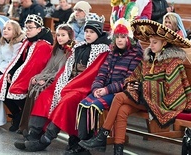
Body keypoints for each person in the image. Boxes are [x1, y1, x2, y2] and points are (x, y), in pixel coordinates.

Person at [78, 19, 191, 155]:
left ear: (164, 43)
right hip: (144, 98)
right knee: (122, 111)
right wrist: (134, 84)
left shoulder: (173, 62)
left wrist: (144, 86)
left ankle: (102, 135)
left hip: (162, 103)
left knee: (119, 97)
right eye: (150, 42)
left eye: (154, 43)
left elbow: (173, 90)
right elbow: (133, 77)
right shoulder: (148, 58)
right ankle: (117, 150)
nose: (151, 45)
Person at [14, 13, 111, 153]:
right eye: (86, 31)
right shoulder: (80, 47)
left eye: (92, 32)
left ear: (98, 32)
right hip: (70, 84)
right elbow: (66, 70)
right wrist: (60, 85)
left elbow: (91, 75)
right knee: (45, 95)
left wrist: (68, 87)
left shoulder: (102, 51)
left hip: (85, 88)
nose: (88, 35)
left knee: (66, 101)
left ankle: (45, 140)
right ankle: (33, 135)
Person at [75, 18, 143, 154]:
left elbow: (128, 81)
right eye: (117, 37)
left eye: (123, 37)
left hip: (119, 92)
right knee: (83, 105)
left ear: (128, 38)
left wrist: (106, 89)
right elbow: (102, 73)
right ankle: (82, 144)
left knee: (94, 107)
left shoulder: (135, 55)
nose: (119, 40)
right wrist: (96, 88)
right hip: (105, 90)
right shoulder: (113, 53)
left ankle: (98, 141)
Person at [0, 14, 53, 132]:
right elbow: (19, 59)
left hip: (36, 75)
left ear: (39, 29)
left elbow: (36, 66)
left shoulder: (43, 45)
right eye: (26, 27)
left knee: (15, 89)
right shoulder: (28, 41)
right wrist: (11, 72)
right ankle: (17, 115)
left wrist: (17, 76)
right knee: (2, 87)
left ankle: (21, 118)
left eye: (30, 27)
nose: (27, 30)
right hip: (23, 72)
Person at [17, 23, 75, 134]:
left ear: (70, 36)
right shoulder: (56, 50)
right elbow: (48, 68)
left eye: (63, 35)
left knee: (41, 91)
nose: (60, 38)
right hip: (49, 77)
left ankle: (38, 130)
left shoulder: (70, 52)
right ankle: (26, 127)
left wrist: (47, 80)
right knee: (33, 88)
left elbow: (62, 72)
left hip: (60, 81)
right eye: (58, 35)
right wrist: (37, 77)